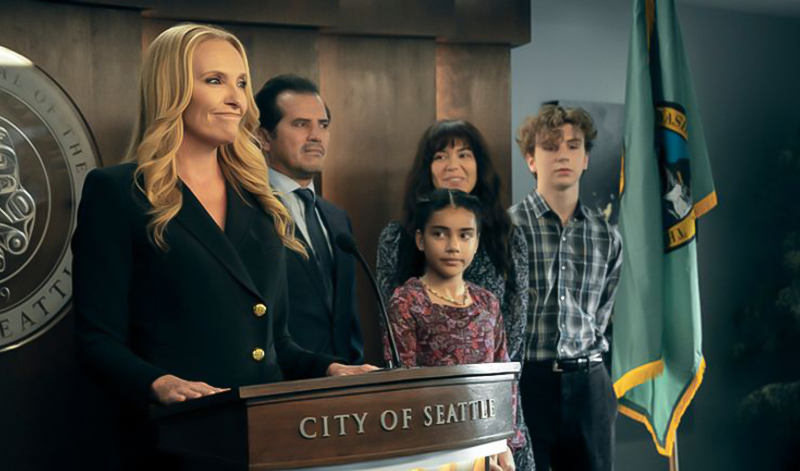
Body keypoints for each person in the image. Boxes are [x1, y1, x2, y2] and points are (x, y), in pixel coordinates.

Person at [72, 23, 375, 469]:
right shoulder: (116, 191)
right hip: (175, 442)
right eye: (215, 81)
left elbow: (276, 343)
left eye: (242, 83)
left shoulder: (260, 199)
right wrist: (158, 382)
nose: (237, 99)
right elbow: (97, 339)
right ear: (171, 89)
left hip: (268, 442)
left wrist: (330, 369)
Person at [376, 120, 534, 470]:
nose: (453, 165)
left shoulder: (507, 237)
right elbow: (398, 358)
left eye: (464, 154)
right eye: (440, 156)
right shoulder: (398, 240)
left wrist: (498, 433)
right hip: (429, 426)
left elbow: (512, 339)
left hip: (494, 411)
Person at [510, 104, 623, 471]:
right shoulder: (506, 229)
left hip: (589, 385)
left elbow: (602, 314)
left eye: (573, 146)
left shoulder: (607, 236)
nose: (563, 155)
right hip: (528, 384)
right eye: (550, 146)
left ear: (585, 159)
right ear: (531, 159)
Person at [385, 189, 521, 471]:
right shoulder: (407, 300)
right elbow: (400, 387)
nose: (453, 246)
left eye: (464, 235)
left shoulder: (487, 302)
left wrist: (504, 443)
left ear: (477, 241)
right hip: (429, 449)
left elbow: (505, 378)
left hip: (486, 443)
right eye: (440, 234)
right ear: (420, 239)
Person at [254, 74, 363, 364]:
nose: (316, 135)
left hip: (342, 380)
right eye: (301, 124)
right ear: (264, 137)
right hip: (281, 380)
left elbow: (346, 317)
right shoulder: (249, 211)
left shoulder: (337, 218)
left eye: (323, 125)